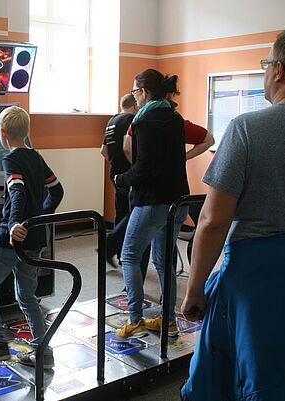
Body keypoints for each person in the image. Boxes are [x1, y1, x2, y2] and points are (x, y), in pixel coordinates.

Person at [181, 25, 285, 399]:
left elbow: (213, 220)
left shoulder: (246, 129)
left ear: (279, 70)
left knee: (254, 376)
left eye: (267, 64)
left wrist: (195, 289)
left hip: (260, 281)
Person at [0, 106, 64, 368]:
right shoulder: (37, 158)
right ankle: (43, 353)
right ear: (27, 131)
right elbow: (57, 191)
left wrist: (14, 225)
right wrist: (39, 219)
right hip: (34, 238)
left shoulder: (10, 160)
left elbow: (17, 192)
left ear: (2, 133)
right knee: (26, 296)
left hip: (12, 238)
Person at [113, 69, 189, 339]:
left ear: (144, 92)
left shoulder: (145, 122)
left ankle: (135, 320)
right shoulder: (174, 117)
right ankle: (168, 321)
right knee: (162, 261)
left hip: (154, 200)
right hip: (179, 200)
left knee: (130, 255)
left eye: (135, 92)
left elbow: (144, 168)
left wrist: (121, 179)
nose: (134, 97)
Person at [105, 92, 213, 271]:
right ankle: (166, 296)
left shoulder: (134, 121)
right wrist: (182, 158)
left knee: (132, 232)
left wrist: (136, 168)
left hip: (137, 184)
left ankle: (115, 252)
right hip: (173, 191)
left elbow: (121, 148)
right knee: (163, 251)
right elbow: (209, 139)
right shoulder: (177, 123)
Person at [101, 94, 138, 228]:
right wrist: (136, 165)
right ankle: (116, 242)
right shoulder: (132, 120)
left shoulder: (112, 121)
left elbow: (103, 151)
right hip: (128, 173)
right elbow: (127, 149)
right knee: (132, 213)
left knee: (121, 211)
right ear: (135, 105)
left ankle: (116, 244)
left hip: (115, 172)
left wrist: (115, 162)